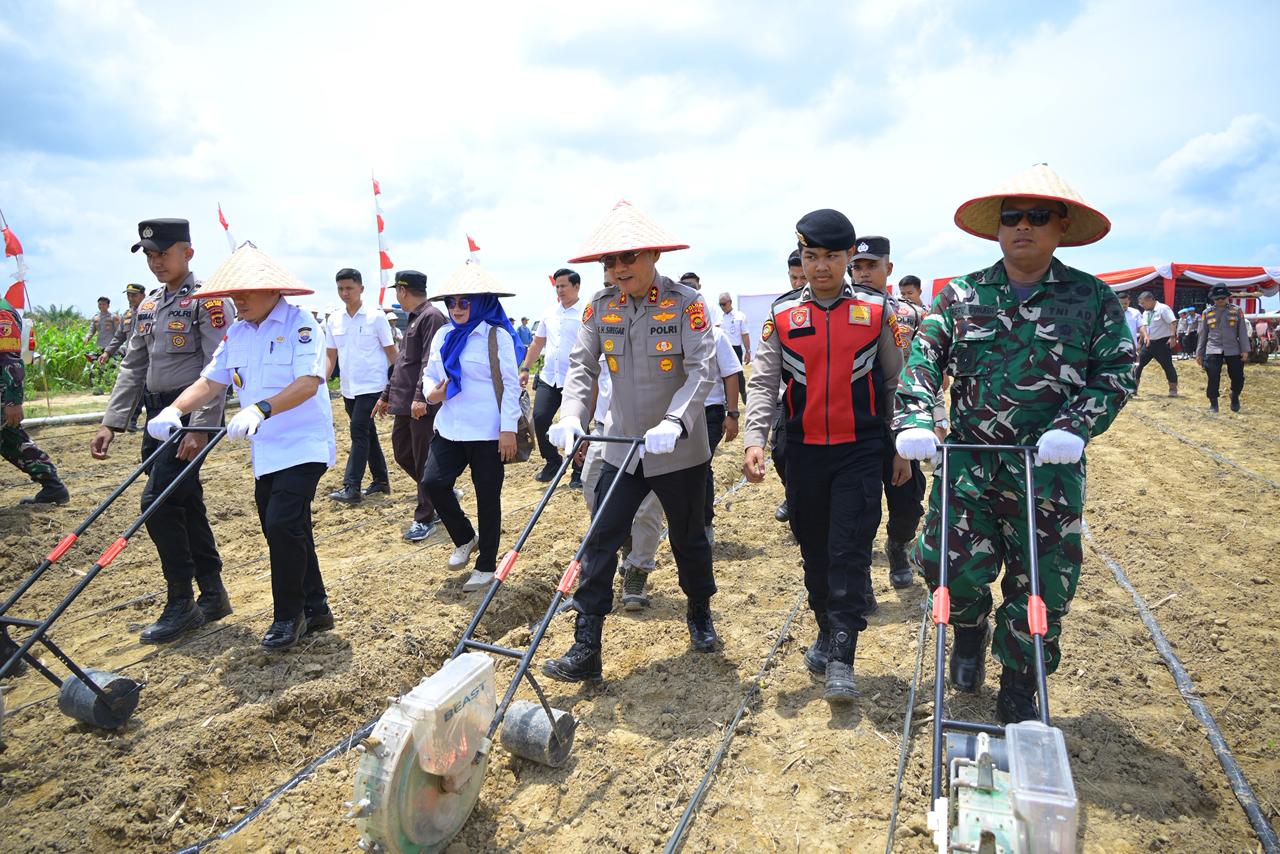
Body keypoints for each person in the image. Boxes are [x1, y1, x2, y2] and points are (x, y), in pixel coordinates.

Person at [894, 163, 1134, 724]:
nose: (1022, 226)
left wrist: (1076, 425)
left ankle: (1021, 682)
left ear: (1060, 227)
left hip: (1046, 471)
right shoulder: (961, 294)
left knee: (1043, 584)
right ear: (998, 229)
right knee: (950, 569)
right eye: (1012, 218)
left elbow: (1118, 370)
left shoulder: (1091, 299)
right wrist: (915, 418)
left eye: (1037, 217)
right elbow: (924, 360)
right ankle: (970, 633)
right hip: (969, 467)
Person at [542, 199, 719, 683]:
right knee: (600, 539)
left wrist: (676, 421)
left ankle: (700, 609)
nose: (619, 269)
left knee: (688, 538)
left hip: (677, 449)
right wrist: (572, 414)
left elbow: (702, 369)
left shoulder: (686, 303)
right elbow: (581, 366)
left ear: (653, 257)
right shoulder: (600, 307)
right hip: (622, 446)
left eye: (629, 258)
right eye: (610, 262)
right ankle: (587, 643)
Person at [743, 210, 903, 705]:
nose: (820, 267)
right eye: (810, 257)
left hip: (861, 449)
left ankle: (842, 656)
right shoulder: (784, 316)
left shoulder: (879, 314)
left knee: (849, 551)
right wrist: (753, 437)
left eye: (831, 257)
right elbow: (765, 382)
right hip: (805, 452)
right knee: (814, 552)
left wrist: (900, 445)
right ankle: (824, 629)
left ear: (849, 257)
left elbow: (897, 383)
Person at [151, 244, 336, 650]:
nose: (237, 299)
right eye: (232, 292)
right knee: (286, 528)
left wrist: (261, 407)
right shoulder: (237, 332)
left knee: (283, 524)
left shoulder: (302, 325)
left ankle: (289, 616)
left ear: (272, 290)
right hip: (265, 449)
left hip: (303, 443)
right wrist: (175, 410)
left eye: (246, 291)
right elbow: (211, 380)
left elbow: (309, 383)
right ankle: (317, 606)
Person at [91, 218, 235, 643]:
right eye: (150, 255)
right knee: (185, 504)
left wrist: (202, 426)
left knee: (157, 502)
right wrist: (111, 422)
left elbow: (219, 367)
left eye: (164, 253)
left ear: (187, 253)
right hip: (158, 419)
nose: (156, 262)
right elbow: (133, 366)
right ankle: (212, 594)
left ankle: (180, 602)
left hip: (190, 419)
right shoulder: (149, 305)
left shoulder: (207, 301)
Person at [421, 263, 522, 592]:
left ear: (481, 303)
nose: (457, 308)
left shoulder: (497, 336)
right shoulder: (443, 335)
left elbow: (510, 386)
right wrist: (430, 392)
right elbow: (430, 373)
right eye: (451, 302)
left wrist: (508, 429)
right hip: (450, 426)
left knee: (487, 497)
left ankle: (486, 564)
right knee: (433, 483)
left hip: (489, 432)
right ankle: (465, 536)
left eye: (465, 302)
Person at [848, 237, 924, 592]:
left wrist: (931, 422)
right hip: (856, 425)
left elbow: (925, 373)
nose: (863, 274)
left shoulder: (912, 315)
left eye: (871, 266)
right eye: (857, 267)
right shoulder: (841, 310)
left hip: (901, 422)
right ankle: (860, 575)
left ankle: (898, 546)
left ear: (888, 269)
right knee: (857, 508)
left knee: (907, 502)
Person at [375, 270, 447, 540]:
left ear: (402, 291)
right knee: (403, 453)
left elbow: (430, 362)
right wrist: (386, 395)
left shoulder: (432, 317)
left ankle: (425, 516)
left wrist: (421, 397)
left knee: (422, 459)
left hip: (420, 404)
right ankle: (440, 492)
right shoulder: (415, 319)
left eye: (397, 291)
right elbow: (402, 364)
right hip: (404, 403)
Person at [324, 268, 396, 503]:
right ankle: (381, 480)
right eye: (340, 289)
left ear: (361, 289)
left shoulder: (376, 317)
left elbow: (392, 354)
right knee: (368, 433)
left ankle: (351, 486)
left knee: (358, 432)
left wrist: (397, 385)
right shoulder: (333, 319)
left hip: (373, 386)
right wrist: (320, 381)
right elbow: (330, 356)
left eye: (349, 288)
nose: (345, 293)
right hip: (348, 388)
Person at [681, 276, 743, 545]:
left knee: (700, 465)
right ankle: (689, 521)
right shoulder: (670, 335)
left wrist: (733, 414)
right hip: (679, 414)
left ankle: (703, 523)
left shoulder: (715, 335)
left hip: (710, 411)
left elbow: (731, 374)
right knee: (685, 470)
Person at [519, 268, 585, 487]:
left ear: (576, 286)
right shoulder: (549, 312)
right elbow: (538, 343)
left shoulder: (586, 313)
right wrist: (526, 367)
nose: (559, 290)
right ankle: (553, 460)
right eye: (557, 286)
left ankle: (579, 470)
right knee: (539, 418)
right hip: (550, 377)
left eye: (564, 285)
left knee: (577, 425)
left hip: (575, 379)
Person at [2, 294, 69, 505]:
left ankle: (53, 486)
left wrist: (13, 401)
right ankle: (53, 486)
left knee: (10, 438)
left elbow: (10, 359)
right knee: (10, 440)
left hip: (3, 392)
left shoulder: (2, 312)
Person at [772, 251, 806, 523]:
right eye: (794, 278)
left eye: (802, 278)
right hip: (789, 398)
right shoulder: (782, 311)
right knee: (781, 453)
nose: (798, 283)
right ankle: (793, 494)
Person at [101, 283, 148, 431]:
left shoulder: (151, 312)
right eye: (128, 295)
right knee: (134, 390)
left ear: (143, 296)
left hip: (149, 359)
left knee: (148, 390)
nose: (130, 298)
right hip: (131, 359)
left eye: (134, 295)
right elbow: (118, 337)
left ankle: (141, 422)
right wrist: (107, 352)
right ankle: (131, 422)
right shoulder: (127, 315)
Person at [1196, 284, 1250, 412]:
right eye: (1217, 298)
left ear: (1228, 298)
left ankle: (1235, 395)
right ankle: (1213, 403)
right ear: (1213, 299)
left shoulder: (1236, 311)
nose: (1220, 300)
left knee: (1238, 377)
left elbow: (1242, 331)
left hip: (1233, 348)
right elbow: (1203, 334)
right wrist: (1199, 353)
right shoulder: (1207, 313)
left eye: (1223, 298)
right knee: (1213, 376)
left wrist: (1245, 349)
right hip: (1213, 348)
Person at [1136, 291, 1179, 396]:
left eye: (1143, 303)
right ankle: (1134, 388)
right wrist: (1140, 343)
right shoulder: (1146, 312)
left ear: (1150, 300)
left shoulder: (1163, 308)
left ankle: (1173, 390)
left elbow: (1172, 322)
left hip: (1162, 343)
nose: (1142, 306)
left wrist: (1172, 337)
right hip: (1149, 343)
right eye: (1140, 304)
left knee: (1167, 366)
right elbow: (1144, 328)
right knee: (1138, 365)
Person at [714, 286, 751, 405]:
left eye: (724, 304)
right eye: (720, 304)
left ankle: (743, 394)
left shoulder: (740, 316)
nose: (722, 307)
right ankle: (726, 401)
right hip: (721, 349)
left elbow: (745, 334)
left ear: (730, 302)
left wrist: (748, 351)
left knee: (738, 374)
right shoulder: (719, 317)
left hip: (735, 349)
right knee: (722, 375)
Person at [85, 296, 121, 394]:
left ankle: (115, 388)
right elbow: (91, 330)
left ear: (108, 305)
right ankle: (98, 389)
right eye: (100, 304)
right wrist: (87, 337)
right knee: (97, 368)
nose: (101, 306)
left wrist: (118, 344)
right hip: (100, 346)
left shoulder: (113, 317)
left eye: (104, 304)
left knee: (114, 366)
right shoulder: (96, 318)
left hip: (112, 346)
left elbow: (119, 332)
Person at [1117, 290, 1143, 360]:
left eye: (1125, 303)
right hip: (1116, 345)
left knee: (1132, 366)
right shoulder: (1112, 313)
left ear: (1129, 301)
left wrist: (1140, 342)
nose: (1123, 306)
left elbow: (1141, 327)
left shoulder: (1135, 312)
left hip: (1131, 346)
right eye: (1121, 303)